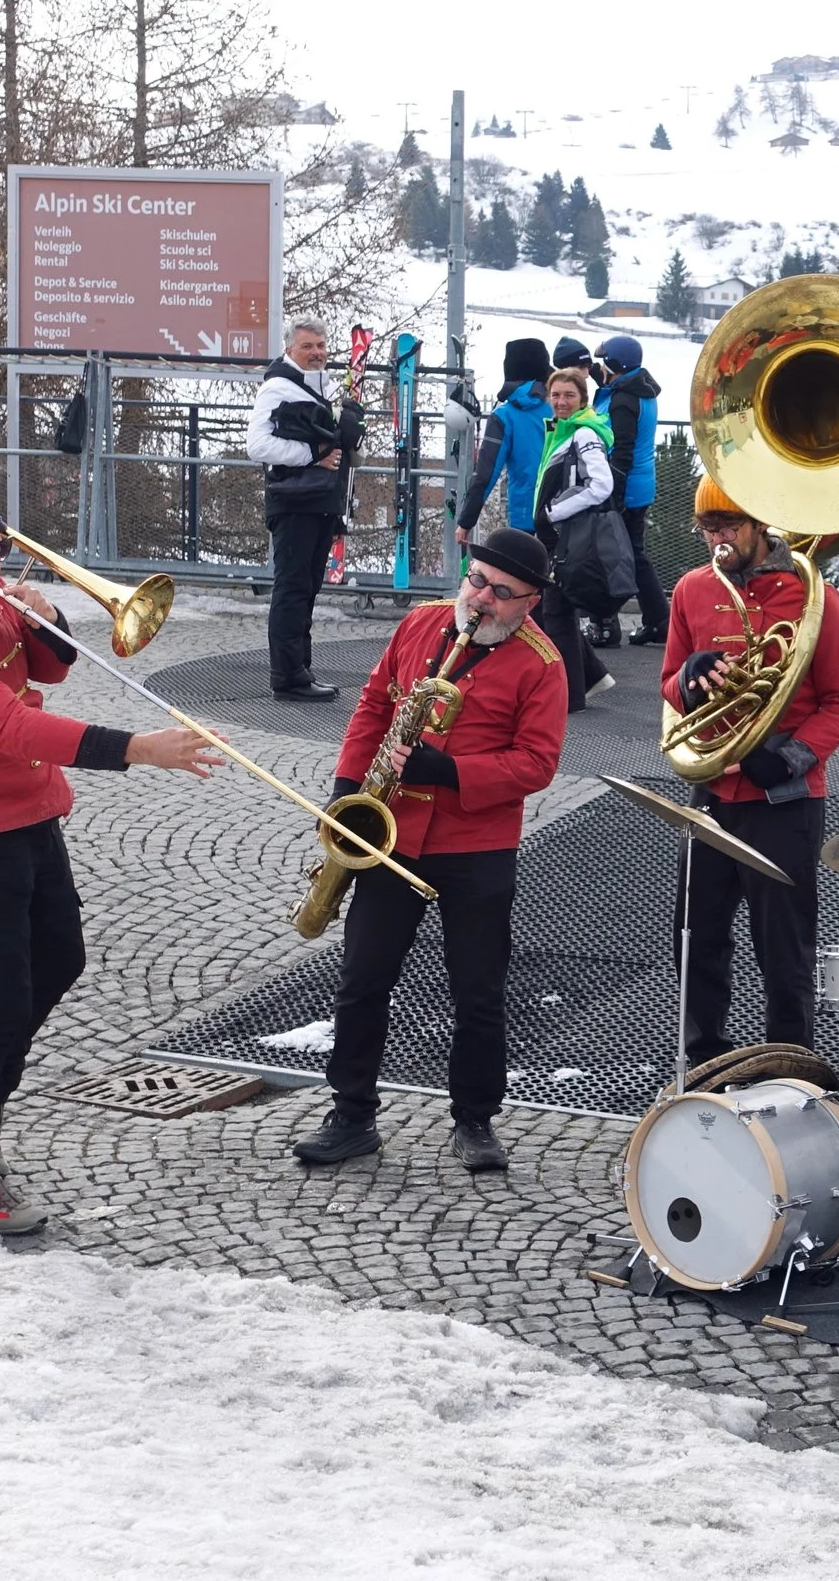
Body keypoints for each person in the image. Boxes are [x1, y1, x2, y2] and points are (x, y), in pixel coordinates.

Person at [0, 463, 225, 1234]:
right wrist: (139, 748)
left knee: (61, 958)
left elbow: (46, 672)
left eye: (0, 552)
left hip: (30, 808)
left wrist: (42, 611)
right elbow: (11, 725)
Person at [291, 528, 570, 1174]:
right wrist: (344, 789)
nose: (481, 600)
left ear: (530, 601)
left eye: (502, 593)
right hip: (389, 832)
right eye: (477, 581)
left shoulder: (544, 663)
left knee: (477, 989)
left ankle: (475, 1118)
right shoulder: (419, 624)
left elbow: (537, 763)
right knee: (363, 977)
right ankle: (351, 1112)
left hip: (477, 846)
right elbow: (371, 706)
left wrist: (449, 771)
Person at [661, 475, 839, 1063]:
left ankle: (789, 1063)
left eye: (727, 527)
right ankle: (702, 1059)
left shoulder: (812, 594)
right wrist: (690, 678)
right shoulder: (692, 591)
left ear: (757, 525)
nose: (717, 540)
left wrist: (791, 758)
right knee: (695, 938)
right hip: (713, 793)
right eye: (707, 529)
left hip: (785, 801)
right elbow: (670, 685)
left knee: (784, 948)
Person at [248, 320, 363, 702]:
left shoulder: (323, 385)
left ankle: (300, 668)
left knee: (307, 587)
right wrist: (312, 457)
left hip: (319, 502)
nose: (316, 352)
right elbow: (258, 445)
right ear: (289, 350)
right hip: (294, 503)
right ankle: (288, 676)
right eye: (307, 346)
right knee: (293, 588)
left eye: (321, 345)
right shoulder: (277, 387)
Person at [530, 364, 617, 710]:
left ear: (582, 398)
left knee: (556, 612)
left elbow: (601, 485)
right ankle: (589, 679)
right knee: (553, 608)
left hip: (565, 534)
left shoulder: (583, 434)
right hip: (557, 534)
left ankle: (569, 696)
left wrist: (554, 511)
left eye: (569, 395)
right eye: (555, 395)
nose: (561, 402)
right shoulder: (564, 430)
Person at [592, 335, 667, 647]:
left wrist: (614, 498)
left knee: (622, 556)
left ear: (615, 365)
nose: (600, 367)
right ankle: (657, 619)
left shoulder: (623, 401)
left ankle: (621, 621)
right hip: (641, 483)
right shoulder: (638, 389)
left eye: (604, 362)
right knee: (633, 555)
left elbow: (621, 449)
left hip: (626, 487)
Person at [455, 338, 552, 545]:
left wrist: (466, 520)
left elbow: (486, 473)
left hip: (526, 516)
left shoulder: (504, 416)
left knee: (527, 574)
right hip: (567, 512)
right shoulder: (563, 406)